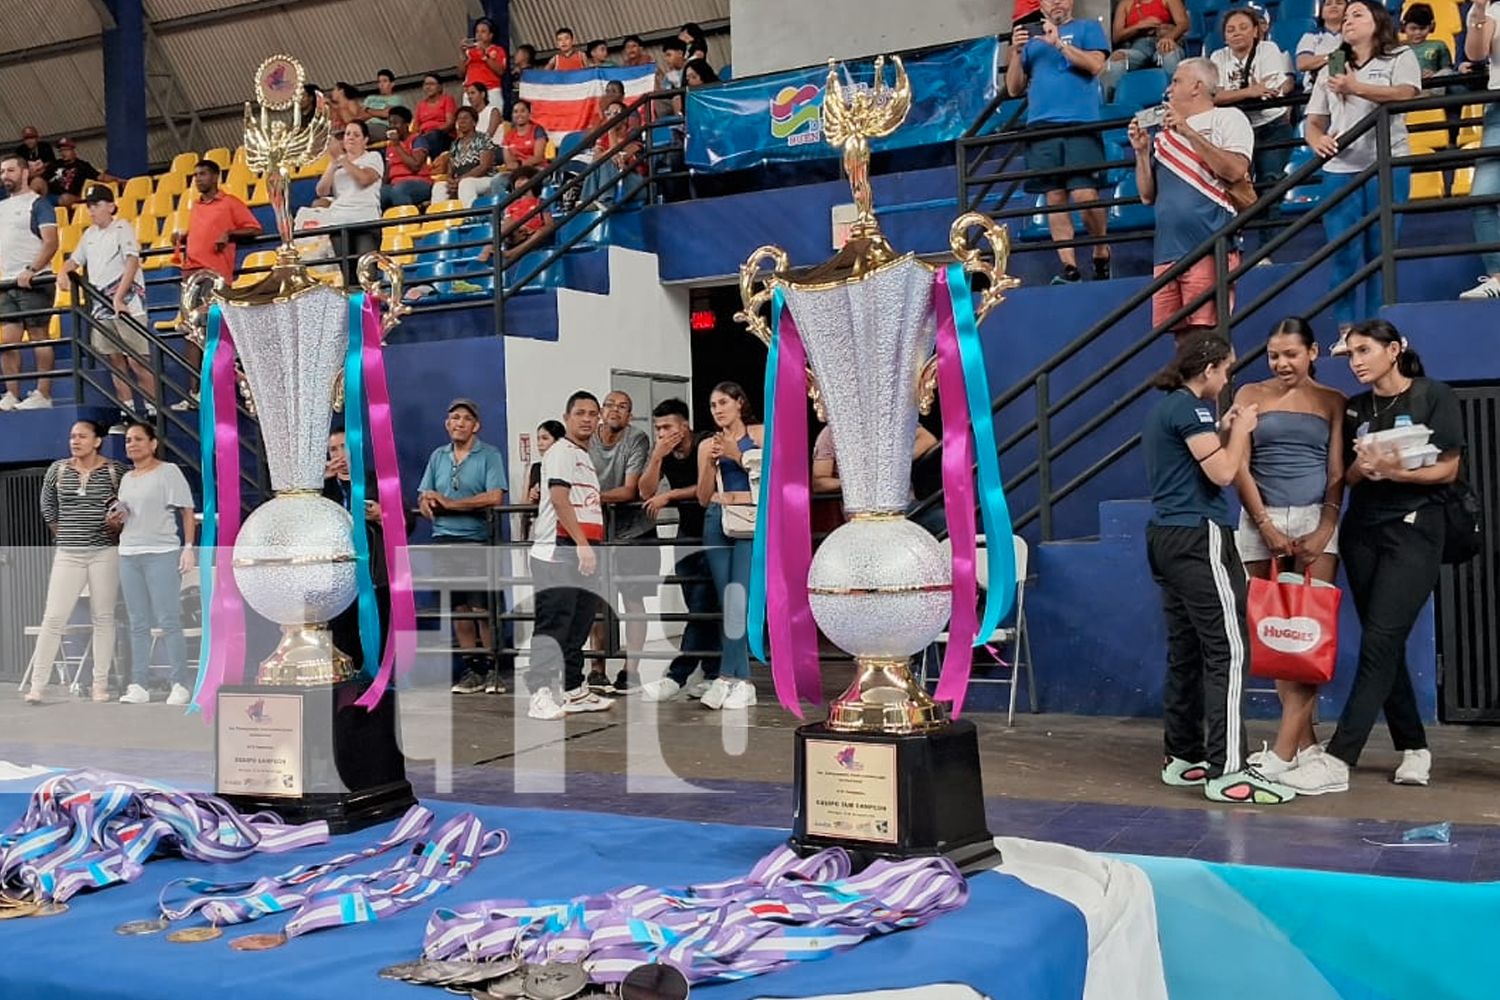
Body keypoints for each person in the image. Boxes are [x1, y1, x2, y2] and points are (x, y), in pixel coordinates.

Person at [1282, 321, 1462, 795]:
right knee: (1386, 644)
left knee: (1381, 640)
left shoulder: (1433, 394)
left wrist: (1400, 470)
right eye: (1351, 354)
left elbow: (1448, 468)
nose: (1357, 361)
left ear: (1395, 349)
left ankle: (1340, 757)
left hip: (1416, 529)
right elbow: (1344, 479)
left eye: (1365, 351)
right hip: (1363, 533)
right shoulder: (1356, 407)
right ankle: (1415, 747)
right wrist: (1364, 469)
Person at [1143, 332, 1297, 804]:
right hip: (1198, 538)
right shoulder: (1190, 410)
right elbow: (1224, 474)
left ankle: (1183, 757)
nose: (1228, 377)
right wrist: (1244, 429)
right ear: (1208, 369)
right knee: (1228, 650)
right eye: (1226, 369)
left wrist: (1227, 428)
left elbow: (1203, 460)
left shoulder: (1170, 409)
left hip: (1168, 537)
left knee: (1186, 647)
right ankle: (1229, 770)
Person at [1230, 319, 1346, 777]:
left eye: (1291, 355)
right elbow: (1239, 467)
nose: (1281, 364)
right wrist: (1265, 526)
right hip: (1261, 522)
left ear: (1313, 352)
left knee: (1308, 634)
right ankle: (1305, 747)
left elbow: (1336, 471)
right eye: (1274, 355)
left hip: (1317, 519)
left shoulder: (1332, 401)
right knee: (1276, 635)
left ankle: (1282, 753)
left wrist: (1325, 526)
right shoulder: (1249, 395)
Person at [1305, 0, 1419, 337]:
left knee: (1378, 251)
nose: (1347, 19)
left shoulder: (1399, 56)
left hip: (1387, 164)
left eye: (1358, 14)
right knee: (1343, 251)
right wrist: (1315, 140)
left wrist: (1357, 88)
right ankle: (1345, 332)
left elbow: (1406, 93)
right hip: (1340, 169)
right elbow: (1314, 121)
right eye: (1346, 15)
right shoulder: (1331, 67)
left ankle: (1376, 331)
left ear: (1378, 20)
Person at [1127, 59, 1253, 343]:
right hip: (1167, 250)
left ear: (1197, 86)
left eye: (1176, 82)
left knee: (1209, 335)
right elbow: (1148, 195)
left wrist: (1189, 132)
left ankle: (1221, 387)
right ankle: (1191, 390)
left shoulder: (1229, 117)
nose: (1168, 89)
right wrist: (1141, 153)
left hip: (1209, 244)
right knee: (1181, 338)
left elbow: (1234, 170)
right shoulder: (1164, 135)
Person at [1005, 0, 1113, 285]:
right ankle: (1069, 268)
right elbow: (1014, 88)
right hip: (1041, 126)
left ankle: (1101, 250)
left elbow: (1095, 65)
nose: (1056, 2)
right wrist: (1016, 52)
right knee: (1054, 197)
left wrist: (1059, 44)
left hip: (1080, 122)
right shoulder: (1028, 37)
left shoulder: (1088, 28)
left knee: (1084, 194)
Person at [24, 421, 128, 704]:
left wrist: (114, 526)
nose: (75, 441)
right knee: (54, 617)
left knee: (103, 617)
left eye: (82, 436)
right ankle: (37, 686)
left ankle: (100, 685)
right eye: (72, 436)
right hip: (68, 553)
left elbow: (124, 509)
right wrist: (67, 534)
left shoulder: (115, 470)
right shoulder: (58, 469)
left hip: (104, 552)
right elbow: (48, 508)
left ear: (97, 441)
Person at [526, 391, 613, 719]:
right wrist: (581, 544)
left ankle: (574, 690)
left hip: (582, 549)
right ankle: (539, 693)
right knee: (554, 622)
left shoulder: (584, 456)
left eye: (593, 414)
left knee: (579, 623)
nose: (588, 419)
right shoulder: (562, 451)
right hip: (559, 550)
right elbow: (560, 500)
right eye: (580, 413)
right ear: (567, 418)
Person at [417, 399, 508, 695]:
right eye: (454, 417)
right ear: (447, 424)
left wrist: (452, 504)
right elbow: (425, 493)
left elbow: (495, 497)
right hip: (444, 540)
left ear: (476, 426)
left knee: (482, 608)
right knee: (459, 610)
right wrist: (427, 502)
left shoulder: (489, 455)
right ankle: (474, 669)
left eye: (466, 419)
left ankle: (494, 669)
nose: (459, 423)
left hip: (476, 540)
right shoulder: (437, 456)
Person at [639, 399, 721, 702]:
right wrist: (657, 457)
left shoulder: (704, 444)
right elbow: (646, 492)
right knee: (698, 608)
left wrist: (670, 495)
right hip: (685, 533)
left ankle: (677, 675)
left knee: (703, 606)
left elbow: (705, 486)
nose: (662, 433)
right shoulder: (664, 452)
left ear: (684, 426)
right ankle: (712, 673)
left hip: (712, 531)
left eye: (667, 427)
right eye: (658, 428)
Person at [112, 423, 196, 706]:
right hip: (129, 553)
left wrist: (187, 548)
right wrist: (117, 517)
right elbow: (126, 513)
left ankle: (179, 683)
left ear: (153, 443)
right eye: (127, 440)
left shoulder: (168, 472)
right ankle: (138, 683)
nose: (132, 444)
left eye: (138, 439)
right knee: (137, 622)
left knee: (168, 619)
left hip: (161, 551)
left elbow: (187, 510)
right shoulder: (127, 478)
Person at [694, 382, 765, 712]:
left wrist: (738, 455)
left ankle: (728, 677)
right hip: (718, 518)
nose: (718, 409)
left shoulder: (760, 434)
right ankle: (742, 680)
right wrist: (711, 462)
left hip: (749, 519)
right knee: (728, 600)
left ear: (739, 403)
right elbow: (701, 495)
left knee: (740, 599)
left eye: (723, 402)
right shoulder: (708, 444)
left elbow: (773, 477)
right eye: (712, 405)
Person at [59, 184, 158, 418]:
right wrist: (63, 272)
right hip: (100, 308)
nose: (92, 210)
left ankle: (154, 411)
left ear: (111, 206)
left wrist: (120, 297)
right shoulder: (89, 235)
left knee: (138, 361)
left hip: (129, 306)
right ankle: (129, 410)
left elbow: (132, 262)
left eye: (97, 205)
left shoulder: (122, 227)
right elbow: (74, 260)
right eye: (90, 206)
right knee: (115, 360)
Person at [171, 160, 262, 409]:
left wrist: (230, 234)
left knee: (214, 333)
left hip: (215, 277)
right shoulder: (195, 207)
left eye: (203, 174)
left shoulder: (230, 202)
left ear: (216, 176)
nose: (198, 179)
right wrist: (183, 238)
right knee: (190, 333)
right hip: (190, 275)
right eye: (195, 175)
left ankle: (218, 391)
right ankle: (194, 393)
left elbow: (254, 228)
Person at [587, 390, 654, 694]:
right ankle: (596, 668)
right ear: (601, 411)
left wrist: (591, 497)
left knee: (632, 601)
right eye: (610, 405)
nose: (615, 410)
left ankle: (631, 670)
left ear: (630, 415)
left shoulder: (636, 439)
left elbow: (629, 491)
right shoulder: (586, 440)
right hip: (597, 530)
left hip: (634, 531)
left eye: (623, 407)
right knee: (597, 603)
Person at [323, 427, 394, 681]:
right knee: (342, 633)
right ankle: (346, 685)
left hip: (372, 573)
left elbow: (406, 521)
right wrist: (322, 482)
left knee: (377, 632)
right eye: (333, 449)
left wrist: (381, 515)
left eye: (345, 447)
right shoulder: (322, 488)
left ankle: (379, 684)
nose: (340, 454)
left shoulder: (375, 481)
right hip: (337, 576)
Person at [1211, 8, 1295, 205]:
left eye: (1243, 27)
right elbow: (1215, 97)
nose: (1236, 33)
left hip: (1272, 125)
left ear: (1256, 31)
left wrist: (1232, 96)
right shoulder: (1217, 57)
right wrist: (1250, 91)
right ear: (1224, 36)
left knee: (1271, 184)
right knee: (1237, 187)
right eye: (1230, 30)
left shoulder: (1268, 49)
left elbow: (1268, 90)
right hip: (1236, 130)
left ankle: (1272, 236)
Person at [0, 153, 60, 412]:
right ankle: (12, 393)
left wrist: (32, 269)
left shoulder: (39, 204)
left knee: (38, 336)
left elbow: (51, 241)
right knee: (7, 340)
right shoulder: (2, 207)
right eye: (2, 172)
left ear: (24, 173)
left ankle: (43, 394)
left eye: (10, 170)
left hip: (36, 278)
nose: (5, 176)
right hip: (7, 280)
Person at [1459, 0, 1500, 300]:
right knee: (1483, 195)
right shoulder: (1492, 11)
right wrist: (1479, 11)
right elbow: (1475, 53)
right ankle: (1498, 277)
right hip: (1498, 107)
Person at [312, 121, 384, 268]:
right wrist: (333, 164)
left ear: (365, 140)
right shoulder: (337, 162)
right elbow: (322, 191)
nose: (350, 137)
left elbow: (364, 179)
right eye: (347, 134)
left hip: (366, 221)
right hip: (339, 223)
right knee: (348, 276)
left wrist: (342, 159)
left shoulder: (373, 157)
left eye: (356, 135)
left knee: (367, 271)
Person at [1102, 0, 1190, 99]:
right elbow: (1116, 36)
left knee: (1169, 54)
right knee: (1117, 57)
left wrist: (1169, 37)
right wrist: (1139, 26)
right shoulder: (1126, 3)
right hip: (1138, 47)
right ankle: (1111, 105)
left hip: (1163, 40)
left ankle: (1177, 98)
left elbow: (1183, 23)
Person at [430, 106, 499, 208]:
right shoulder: (455, 144)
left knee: (466, 184)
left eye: (465, 118)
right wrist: (450, 180)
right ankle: (438, 221)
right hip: (460, 181)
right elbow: (450, 170)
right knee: (439, 187)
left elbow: (483, 167)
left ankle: (470, 218)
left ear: (474, 122)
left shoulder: (483, 138)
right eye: (459, 119)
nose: (461, 121)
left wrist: (461, 179)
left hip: (485, 179)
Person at [381, 106, 432, 209]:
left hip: (419, 182)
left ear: (407, 124)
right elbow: (387, 173)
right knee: (377, 194)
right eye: (390, 123)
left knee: (399, 190)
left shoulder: (418, 139)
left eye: (396, 123)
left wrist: (397, 145)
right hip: (395, 185)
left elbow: (415, 166)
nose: (392, 127)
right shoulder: (390, 146)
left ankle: (407, 223)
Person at [48, 138, 120, 207]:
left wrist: (119, 180)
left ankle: (81, 201)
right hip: (50, 195)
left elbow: (101, 177)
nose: (63, 153)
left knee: (65, 198)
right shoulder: (55, 164)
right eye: (61, 151)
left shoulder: (82, 166)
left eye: (66, 150)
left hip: (68, 196)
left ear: (73, 150)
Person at [1295, 0, 1347, 89]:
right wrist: (1333, 57)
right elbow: (1302, 63)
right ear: (1322, 13)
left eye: (1339, 3)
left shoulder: (1354, 34)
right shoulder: (1311, 36)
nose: (1333, 6)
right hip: (1314, 90)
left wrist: (1320, 60)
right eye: (1328, 4)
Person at [461, 18, 508, 111]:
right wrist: (462, 54)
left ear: (491, 35)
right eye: (477, 31)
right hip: (470, 92)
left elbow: (500, 71)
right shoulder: (469, 52)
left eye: (483, 31)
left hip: (491, 91)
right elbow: (460, 74)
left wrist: (485, 56)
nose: (479, 34)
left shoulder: (498, 50)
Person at [413, 74, 459, 157]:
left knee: (434, 135)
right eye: (426, 84)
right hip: (425, 137)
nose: (428, 87)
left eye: (432, 84)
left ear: (440, 87)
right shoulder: (421, 105)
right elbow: (416, 127)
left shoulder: (447, 99)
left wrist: (433, 131)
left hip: (444, 135)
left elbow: (450, 123)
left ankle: (437, 164)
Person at [1403, 4, 1453, 78]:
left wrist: (1435, 74)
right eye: (1413, 28)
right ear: (1404, 27)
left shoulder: (1439, 46)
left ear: (1431, 27)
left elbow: (1447, 70)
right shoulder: (1397, 47)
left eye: (1422, 28)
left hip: (1431, 84)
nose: (1418, 33)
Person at [502, 99, 548, 173]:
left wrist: (519, 164)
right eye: (515, 112)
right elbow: (509, 164)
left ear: (529, 114)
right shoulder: (508, 136)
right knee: (497, 181)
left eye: (523, 111)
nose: (519, 114)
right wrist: (516, 167)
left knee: (524, 182)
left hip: (536, 169)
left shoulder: (537, 130)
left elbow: (538, 158)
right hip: (515, 171)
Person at [362, 69, 402, 137]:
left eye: (385, 81)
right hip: (364, 126)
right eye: (379, 82)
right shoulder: (370, 98)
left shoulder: (395, 99)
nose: (381, 84)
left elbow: (386, 114)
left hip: (382, 126)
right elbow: (360, 116)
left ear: (392, 84)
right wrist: (378, 113)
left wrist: (367, 110)